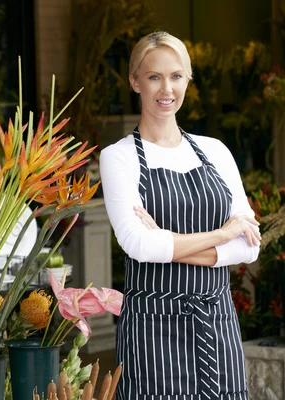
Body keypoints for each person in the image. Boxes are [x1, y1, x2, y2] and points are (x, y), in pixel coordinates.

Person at [100, 31, 261, 400]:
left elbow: (250, 247)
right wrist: (223, 233)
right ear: (134, 81)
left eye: (175, 76)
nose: (165, 88)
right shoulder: (119, 157)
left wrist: (168, 243)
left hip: (217, 322)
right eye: (154, 76)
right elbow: (138, 244)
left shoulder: (215, 151)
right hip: (154, 330)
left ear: (188, 78)